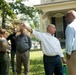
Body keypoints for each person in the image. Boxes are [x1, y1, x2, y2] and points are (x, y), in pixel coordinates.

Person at [65, 10, 76, 75]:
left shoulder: (70, 27)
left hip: (74, 53)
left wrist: (68, 54)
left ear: (73, 16)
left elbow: (69, 42)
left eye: (67, 17)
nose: (66, 19)